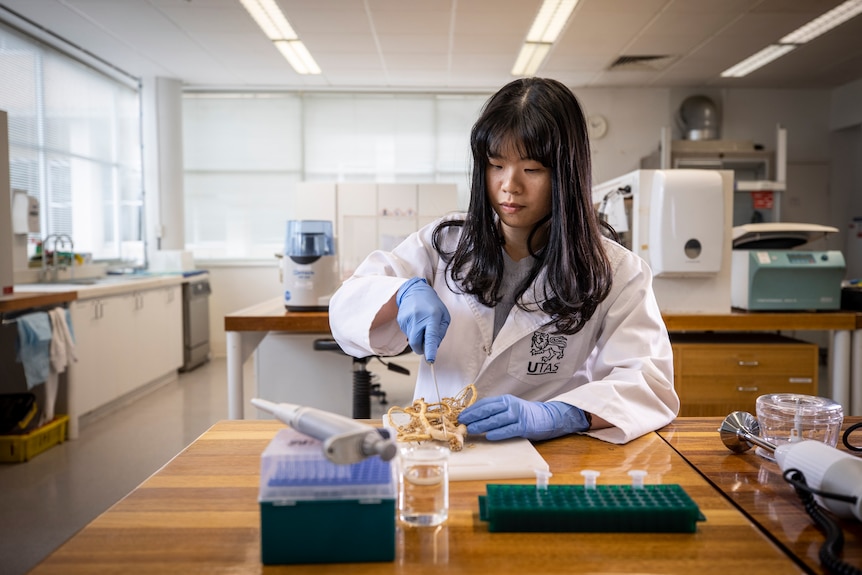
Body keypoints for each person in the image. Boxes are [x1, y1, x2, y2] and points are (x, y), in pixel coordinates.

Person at [329, 77, 678, 444]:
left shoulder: (616, 271)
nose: (510, 185)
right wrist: (400, 294)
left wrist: (560, 415)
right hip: (434, 451)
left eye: (532, 170)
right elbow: (347, 305)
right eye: (496, 165)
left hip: (545, 458)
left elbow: (648, 382)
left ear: (566, 174)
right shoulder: (444, 244)